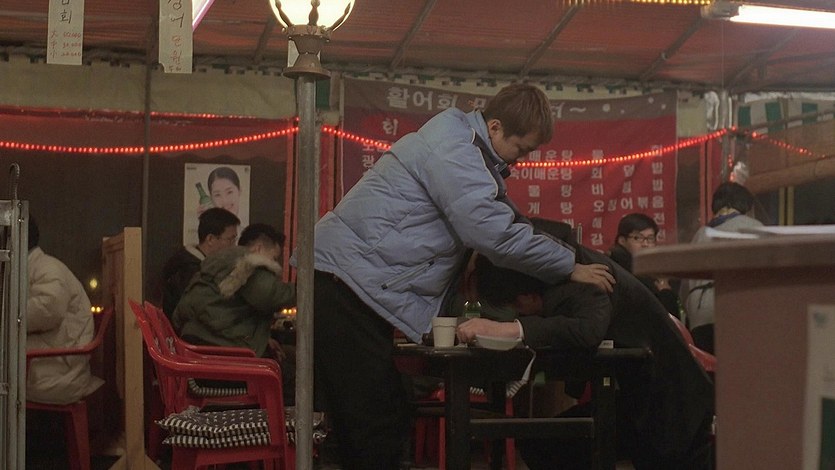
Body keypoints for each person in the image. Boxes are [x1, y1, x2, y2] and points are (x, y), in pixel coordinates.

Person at [309, 83, 615, 469]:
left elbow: (496, 221)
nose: (521, 160)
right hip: (346, 284)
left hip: (349, 281)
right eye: (521, 148)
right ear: (496, 127)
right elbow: (494, 232)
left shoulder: (461, 147)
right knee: (375, 422)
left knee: (373, 417)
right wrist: (569, 265)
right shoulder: (456, 150)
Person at [461, 217, 715, 469]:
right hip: (642, 400)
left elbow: (588, 329)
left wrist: (511, 329)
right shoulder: (567, 268)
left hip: (673, 408)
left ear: (525, 295)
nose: (521, 314)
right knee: (541, 445)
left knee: (546, 447)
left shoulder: (589, 275)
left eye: (517, 308)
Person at [173, 223, 295, 358]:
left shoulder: (223, 259)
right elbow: (270, 295)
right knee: (290, 365)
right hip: (219, 345)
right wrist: (303, 291)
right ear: (259, 248)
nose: (275, 264)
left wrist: (263, 340)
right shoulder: (250, 263)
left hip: (201, 337)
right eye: (274, 258)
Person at [26, 216, 104, 405]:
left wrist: (6, 315)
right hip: (55, 362)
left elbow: (48, 311)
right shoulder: (39, 266)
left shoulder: (46, 268)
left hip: (59, 371)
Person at [681, 181, 763, 354]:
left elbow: (684, 288)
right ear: (745, 205)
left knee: (708, 365)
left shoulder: (700, 234)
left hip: (699, 314)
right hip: (737, 309)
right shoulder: (753, 227)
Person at [159, 207, 240, 318]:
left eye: (235, 239)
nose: (234, 246)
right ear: (210, 239)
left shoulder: (196, 264)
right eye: (230, 239)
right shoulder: (190, 271)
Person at [607, 212, 682, 318]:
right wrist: (665, 291)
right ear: (622, 240)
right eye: (637, 238)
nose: (645, 244)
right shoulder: (619, 268)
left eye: (650, 238)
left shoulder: (652, 268)